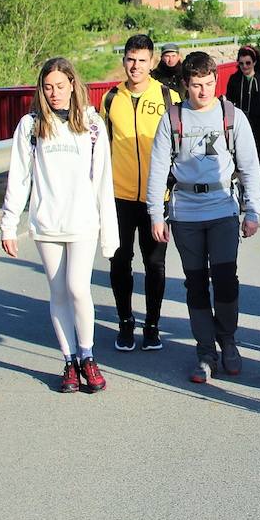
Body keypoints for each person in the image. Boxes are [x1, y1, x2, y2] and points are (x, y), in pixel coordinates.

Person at [0, 57, 117, 395]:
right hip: (47, 222)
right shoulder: (31, 125)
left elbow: (102, 181)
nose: (54, 93)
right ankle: (68, 360)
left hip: (82, 222)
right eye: (48, 87)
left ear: (72, 85)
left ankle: (88, 355)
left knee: (79, 288)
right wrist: (9, 224)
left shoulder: (92, 125)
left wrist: (109, 234)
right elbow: (19, 178)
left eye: (60, 86)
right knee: (58, 291)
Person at [147, 52, 260, 384]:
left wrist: (252, 210)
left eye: (209, 83)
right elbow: (158, 170)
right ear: (185, 84)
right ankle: (205, 351)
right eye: (196, 85)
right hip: (185, 213)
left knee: (226, 279)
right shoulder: (172, 119)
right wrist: (156, 214)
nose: (204, 91)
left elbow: (249, 165)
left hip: (224, 208)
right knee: (196, 283)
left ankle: (228, 341)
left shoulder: (232, 115)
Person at [102, 34, 182, 352]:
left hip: (156, 198)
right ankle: (125, 324)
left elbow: (180, 148)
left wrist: (174, 188)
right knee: (120, 261)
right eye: (130, 59)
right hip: (118, 196)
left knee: (155, 264)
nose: (135, 66)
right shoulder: (109, 99)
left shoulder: (169, 98)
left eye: (141, 60)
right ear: (124, 60)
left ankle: (152, 325)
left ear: (152, 62)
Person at [226, 45, 260, 173]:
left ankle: (259, 185)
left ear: (254, 62)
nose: (245, 66)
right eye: (241, 63)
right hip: (241, 123)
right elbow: (228, 103)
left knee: (258, 153)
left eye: (248, 63)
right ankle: (243, 184)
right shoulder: (234, 80)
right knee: (241, 155)